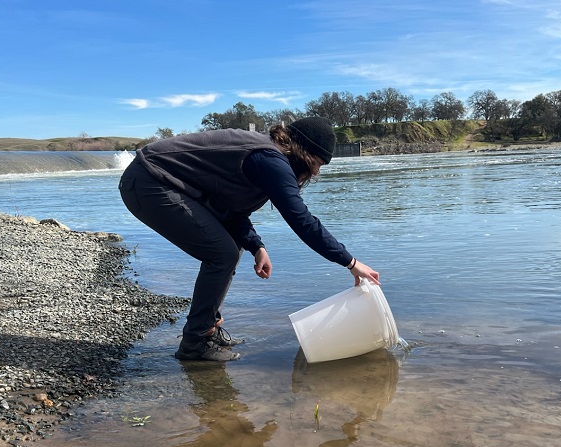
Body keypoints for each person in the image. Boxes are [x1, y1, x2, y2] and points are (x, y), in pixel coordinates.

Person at [118, 117, 380, 362]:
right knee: (222, 253)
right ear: (306, 154)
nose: (314, 174)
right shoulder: (270, 160)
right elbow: (302, 220)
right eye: (318, 165)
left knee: (232, 247)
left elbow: (229, 209)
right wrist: (351, 262)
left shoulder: (267, 159)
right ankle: (194, 343)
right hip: (148, 182)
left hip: (156, 180)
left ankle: (207, 329)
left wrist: (257, 246)